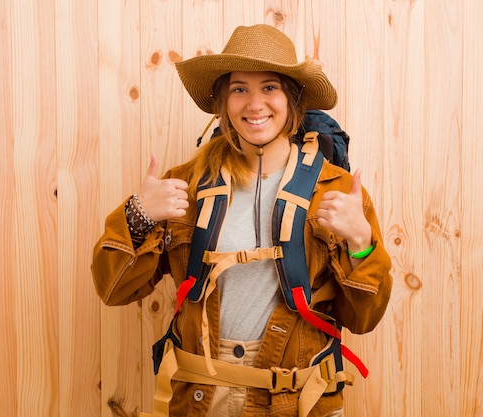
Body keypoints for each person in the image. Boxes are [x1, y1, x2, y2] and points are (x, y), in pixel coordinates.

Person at [91, 24, 392, 417]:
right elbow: (113, 289)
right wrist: (137, 214)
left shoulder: (336, 191)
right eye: (239, 89)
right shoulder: (183, 186)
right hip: (201, 398)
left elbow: (364, 318)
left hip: (298, 402)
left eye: (269, 87)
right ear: (223, 101)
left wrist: (361, 242)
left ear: (292, 98)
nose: (254, 104)